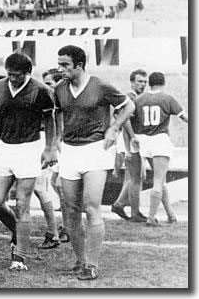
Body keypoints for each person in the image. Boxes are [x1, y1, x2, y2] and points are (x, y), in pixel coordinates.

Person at [55, 45, 135, 280]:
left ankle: (92, 264)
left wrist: (114, 128)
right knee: (70, 210)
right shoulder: (59, 89)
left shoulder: (100, 86)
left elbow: (129, 105)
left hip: (95, 150)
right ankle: (80, 261)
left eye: (65, 65)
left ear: (79, 66)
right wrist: (56, 140)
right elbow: (57, 114)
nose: (60, 69)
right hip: (69, 150)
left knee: (91, 207)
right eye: (59, 64)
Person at [0, 53, 56, 271]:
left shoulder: (41, 90)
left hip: (29, 148)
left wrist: (49, 148)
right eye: (9, 75)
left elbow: (50, 120)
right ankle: (19, 231)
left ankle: (19, 257)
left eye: (17, 76)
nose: (12, 79)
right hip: (5, 148)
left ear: (27, 73)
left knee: (23, 203)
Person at [130, 72, 187, 226]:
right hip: (160, 139)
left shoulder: (139, 99)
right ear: (163, 82)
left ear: (150, 83)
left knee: (160, 181)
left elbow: (130, 118)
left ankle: (171, 215)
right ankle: (151, 217)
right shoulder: (167, 98)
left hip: (144, 141)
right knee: (158, 181)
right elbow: (184, 117)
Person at [111, 69, 148, 222]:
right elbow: (125, 121)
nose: (143, 84)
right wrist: (128, 146)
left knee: (132, 177)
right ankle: (135, 212)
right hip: (129, 139)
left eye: (145, 82)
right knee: (136, 178)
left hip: (132, 139)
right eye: (140, 81)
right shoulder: (130, 98)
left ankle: (119, 204)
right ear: (132, 82)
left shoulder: (137, 97)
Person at [42, 69, 70, 244]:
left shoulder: (62, 100)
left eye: (49, 84)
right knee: (55, 184)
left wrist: (58, 141)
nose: (45, 87)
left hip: (66, 146)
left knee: (62, 186)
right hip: (57, 145)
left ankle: (68, 228)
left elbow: (62, 124)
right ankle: (67, 226)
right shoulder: (49, 101)